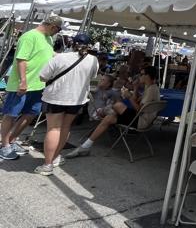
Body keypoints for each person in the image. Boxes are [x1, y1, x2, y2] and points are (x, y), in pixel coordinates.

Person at [35, 34, 99, 175]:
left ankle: (47, 164)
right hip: (77, 99)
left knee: (53, 129)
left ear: (72, 43)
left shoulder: (60, 57)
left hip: (56, 97)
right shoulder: (93, 60)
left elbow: (43, 76)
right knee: (65, 127)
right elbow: (93, 77)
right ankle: (55, 157)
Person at [1, 15, 63, 160]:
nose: (57, 33)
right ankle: (4, 145)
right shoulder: (29, 36)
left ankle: (12, 139)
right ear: (53, 26)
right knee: (11, 114)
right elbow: (21, 59)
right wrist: (23, 81)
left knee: (31, 113)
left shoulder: (48, 38)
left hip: (38, 85)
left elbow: (50, 55)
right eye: (58, 30)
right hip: (22, 84)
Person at [66, 65, 161, 158]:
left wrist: (129, 97)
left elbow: (139, 109)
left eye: (141, 74)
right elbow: (138, 102)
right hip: (142, 119)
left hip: (140, 120)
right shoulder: (151, 88)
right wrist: (135, 88)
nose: (139, 76)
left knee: (117, 105)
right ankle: (86, 146)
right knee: (110, 117)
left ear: (148, 76)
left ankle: (102, 113)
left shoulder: (151, 90)